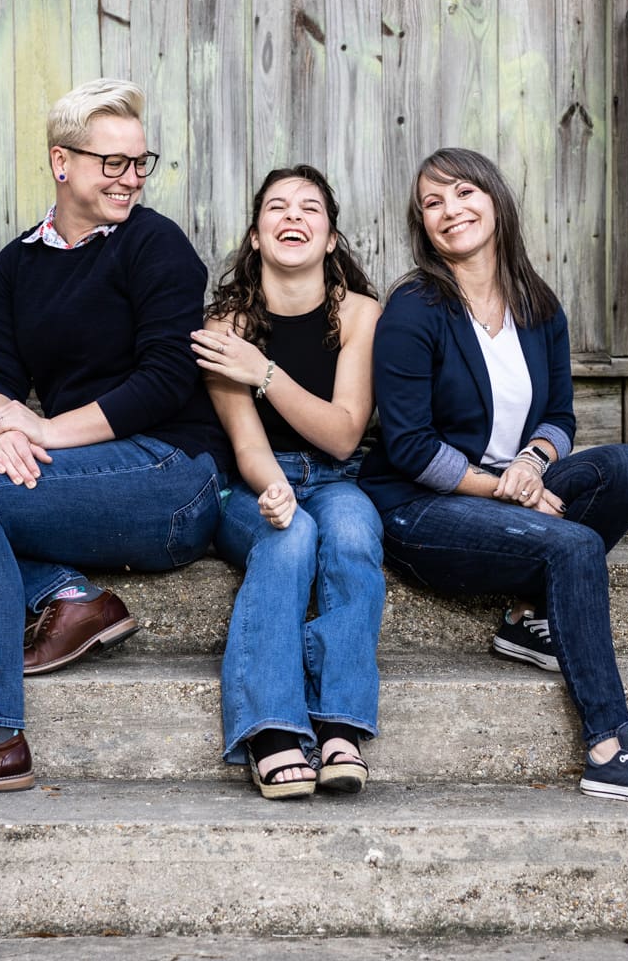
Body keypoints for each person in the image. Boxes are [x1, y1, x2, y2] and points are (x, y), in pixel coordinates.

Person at [0, 79, 230, 798]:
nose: (129, 178)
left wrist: (45, 431)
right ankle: (69, 596)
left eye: (139, 162)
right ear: (62, 162)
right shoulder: (18, 263)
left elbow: (163, 381)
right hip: (83, 471)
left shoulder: (155, 246)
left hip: (171, 477)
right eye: (110, 163)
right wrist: (0, 424)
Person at [359, 147, 628, 807]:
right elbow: (409, 448)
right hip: (421, 506)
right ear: (422, 226)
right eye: (432, 204)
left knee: (627, 469)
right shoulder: (415, 309)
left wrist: (531, 464)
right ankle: (612, 747)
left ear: (494, 200)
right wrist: (502, 488)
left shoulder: (538, 305)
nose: (450, 211)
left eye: (463, 193)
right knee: (574, 544)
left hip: (510, 489)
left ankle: (526, 617)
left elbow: (558, 415)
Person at [190, 166, 384, 800]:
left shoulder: (359, 315)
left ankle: (339, 724)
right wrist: (273, 490)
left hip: (338, 476)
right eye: (277, 207)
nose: (292, 216)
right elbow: (246, 441)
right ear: (255, 236)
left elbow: (343, 434)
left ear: (330, 238)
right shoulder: (226, 328)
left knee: (353, 529)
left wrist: (264, 371)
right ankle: (271, 728)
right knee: (291, 536)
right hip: (252, 483)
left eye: (309, 208)